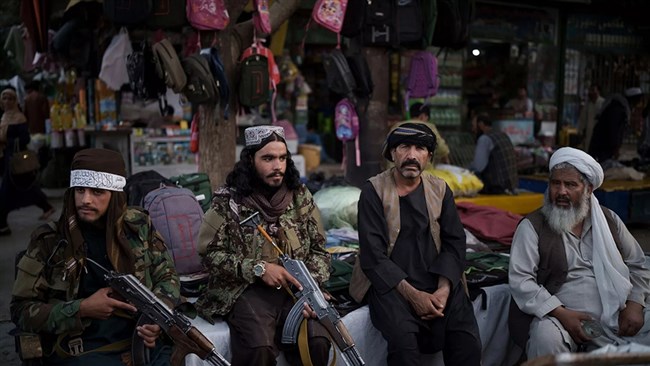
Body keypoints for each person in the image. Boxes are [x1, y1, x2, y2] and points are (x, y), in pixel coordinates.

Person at [11, 148, 181, 365]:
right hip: (82, 351)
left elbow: (167, 276)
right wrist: (81, 309)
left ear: (115, 195)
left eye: (97, 192)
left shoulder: (137, 226)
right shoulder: (50, 241)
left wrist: (157, 318)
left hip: (141, 346)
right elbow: (21, 310)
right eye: (80, 190)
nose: (86, 200)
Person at [195, 125, 332, 365]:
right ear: (250, 159)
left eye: (282, 158)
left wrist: (311, 288)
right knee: (260, 348)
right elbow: (209, 254)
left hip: (296, 290)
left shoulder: (300, 197)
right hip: (246, 290)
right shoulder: (228, 201)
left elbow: (320, 250)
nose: (277, 166)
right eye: (268, 158)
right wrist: (258, 268)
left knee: (317, 342)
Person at [350, 122, 482, 366]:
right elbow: (373, 256)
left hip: (437, 278)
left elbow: (455, 243)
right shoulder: (373, 191)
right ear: (392, 153)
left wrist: (443, 290)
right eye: (404, 147)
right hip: (391, 285)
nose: (412, 155)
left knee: (466, 342)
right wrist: (414, 295)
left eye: (420, 148)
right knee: (404, 346)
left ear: (429, 156)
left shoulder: (440, 189)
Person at [508, 147, 650, 360]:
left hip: (616, 315)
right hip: (560, 318)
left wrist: (635, 303)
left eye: (570, 185)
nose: (561, 191)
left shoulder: (609, 220)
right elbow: (521, 281)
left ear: (588, 189)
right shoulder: (532, 226)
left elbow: (638, 264)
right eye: (556, 183)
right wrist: (562, 313)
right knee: (545, 336)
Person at [0, 87, 55, 235]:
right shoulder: (4, 116)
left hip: (16, 159)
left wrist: (9, 141)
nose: (7, 101)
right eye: (4, 98)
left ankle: (2, 224)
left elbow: (25, 138)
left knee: (6, 191)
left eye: (10, 98)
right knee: (25, 187)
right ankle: (46, 206)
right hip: (7, 159)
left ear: (15, 100)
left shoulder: (19, 117)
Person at [588, 87, 644, 163]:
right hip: (602, 145)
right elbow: (613, 130)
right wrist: (615, 148)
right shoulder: (617, 109)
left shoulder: (620, 107)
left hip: (604, 145)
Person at [468, 113, 518, 194]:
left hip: (496, 188)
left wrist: (463, 171)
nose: (473, 129)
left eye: (473, 126)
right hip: (511, 186)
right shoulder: (503, 135)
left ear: (480, 124)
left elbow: (478, 167)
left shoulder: (484, 139)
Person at [577, 84, 605, 152]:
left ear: (598, 91)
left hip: (600, 134)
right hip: (589, 134)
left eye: (593, 90)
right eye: (590, 90)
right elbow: (583, 119)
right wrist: (580, 131)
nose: (591, 92)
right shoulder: (588, 104)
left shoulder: (603, 103)